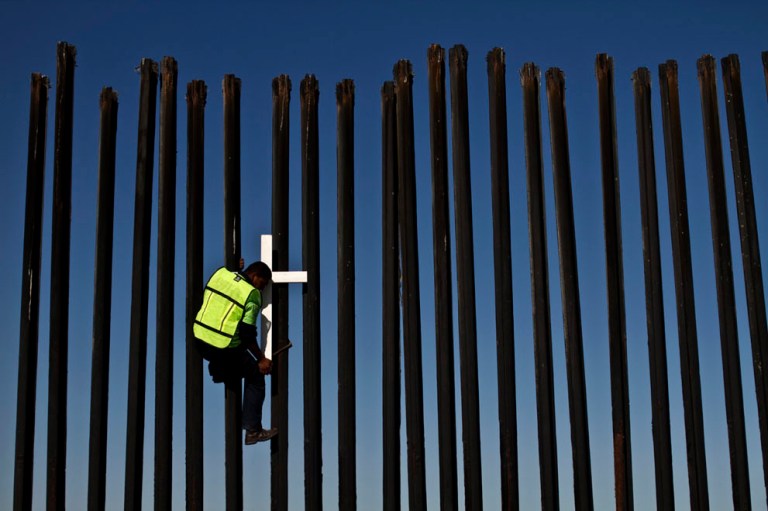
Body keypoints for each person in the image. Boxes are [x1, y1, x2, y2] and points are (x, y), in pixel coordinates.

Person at [193, 260, 277, 445]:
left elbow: (231, 282)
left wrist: (235, 267)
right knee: (256, 375)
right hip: (222, 346)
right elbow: (247, 334)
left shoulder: (220, 273)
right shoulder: (252, 294)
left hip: (199, 338)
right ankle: (253, 431)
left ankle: (219, 370)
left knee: (233, 361)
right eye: (263, 284)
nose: (262, 290)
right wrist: (261, 359)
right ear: (256, 277)